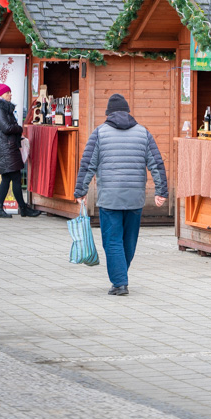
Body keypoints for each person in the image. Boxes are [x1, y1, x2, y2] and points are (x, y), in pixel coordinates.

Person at [74, 94, 168, 296]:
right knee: (129, 240)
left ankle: (119, 282)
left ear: (108, 113)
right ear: (128, 112)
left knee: (112, 240)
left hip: (110, 198)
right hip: (135, 198)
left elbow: (87, 164)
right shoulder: (144, 133)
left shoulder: (99, 133)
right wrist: (161, 191)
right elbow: (157, 164)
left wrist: (80, 191)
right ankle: (121, 275)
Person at [0, 83, 41, 219]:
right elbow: (7, 128)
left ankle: (5, 208)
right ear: (2, 95)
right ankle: (20, 209)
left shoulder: (2, 109)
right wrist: (20, 128)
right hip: (5, 149)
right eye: (8, 92)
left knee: (10, 178)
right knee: (13, 178)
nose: (11, 94)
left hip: (7, 148)